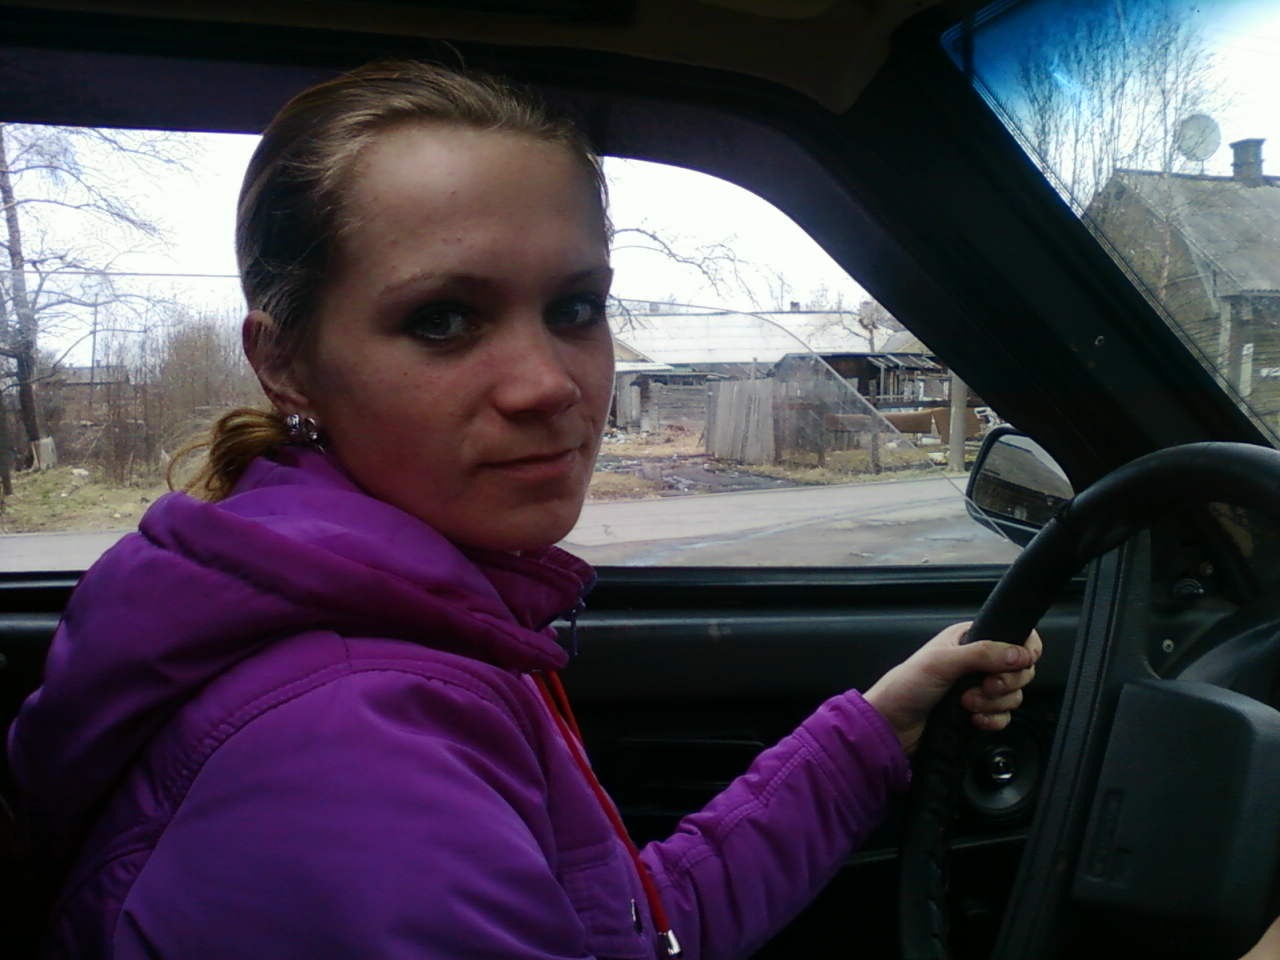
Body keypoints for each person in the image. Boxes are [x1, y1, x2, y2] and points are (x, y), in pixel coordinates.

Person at [7, 61, 1041, 960]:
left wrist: (877, 730)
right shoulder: (355, 743)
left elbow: (629, 930)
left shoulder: (417, 607)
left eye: (574, 307)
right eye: (443, 319)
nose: (548, 384)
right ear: (285, 362)